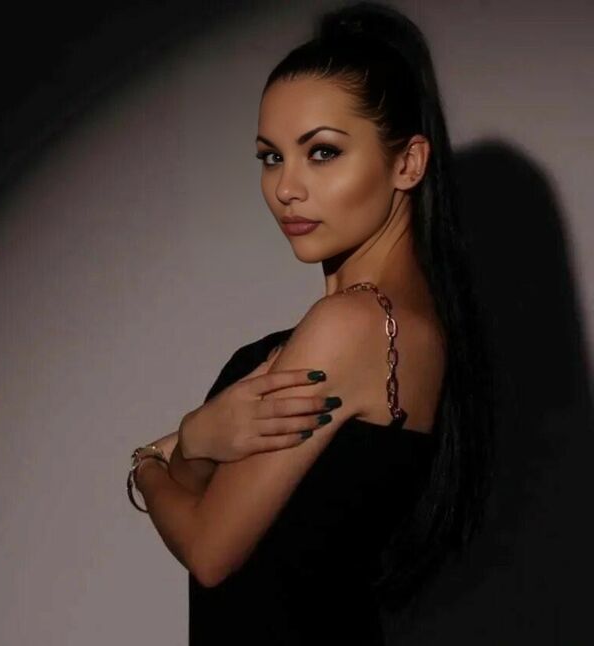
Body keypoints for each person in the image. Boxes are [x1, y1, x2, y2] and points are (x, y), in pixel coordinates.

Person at [127, 2, 495, 644]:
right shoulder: (406, 325)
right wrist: (192, 447)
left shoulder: (352, 325)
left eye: (322, 152)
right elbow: (200, 489)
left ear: (408, 163)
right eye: (271, 157)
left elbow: (209, 553)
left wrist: (154, 459)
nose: (286, 188)